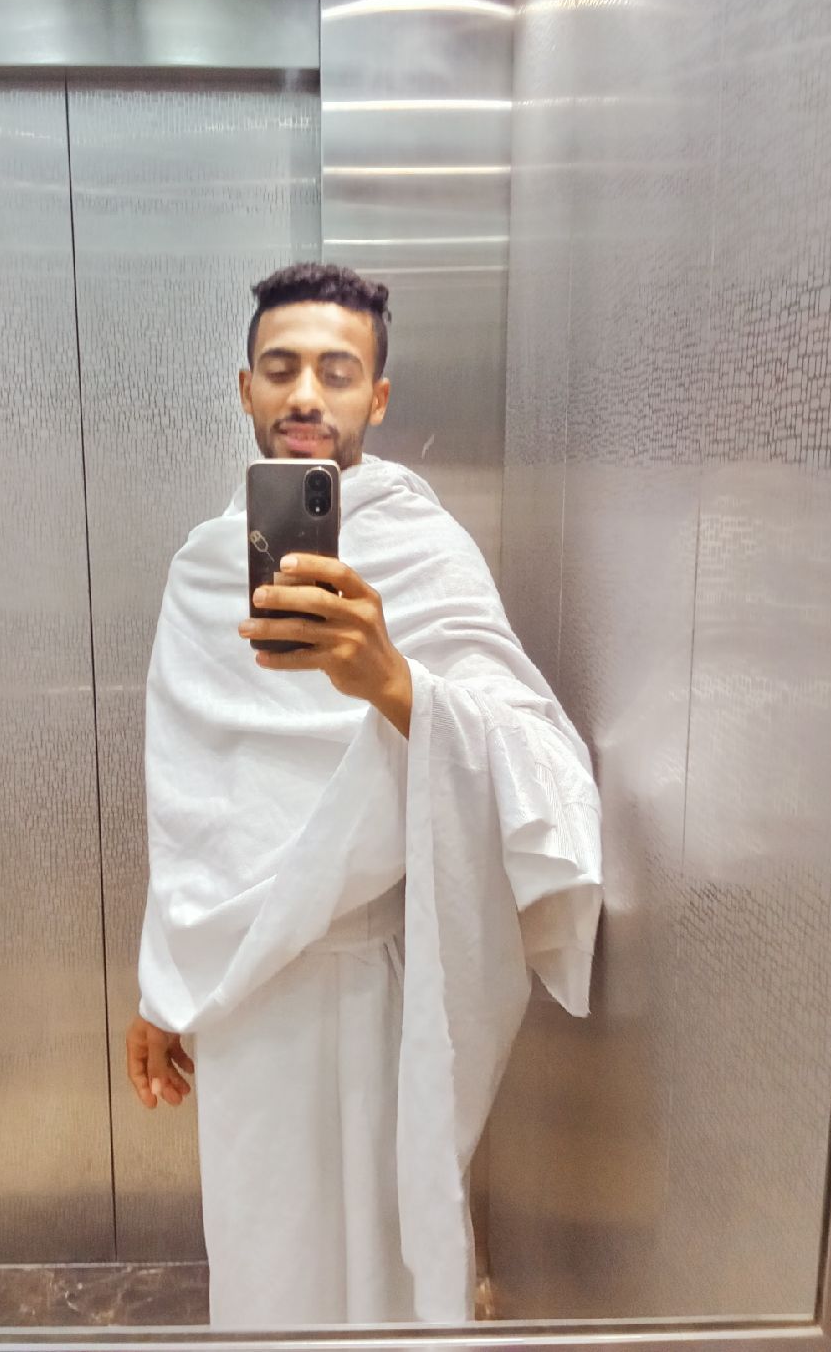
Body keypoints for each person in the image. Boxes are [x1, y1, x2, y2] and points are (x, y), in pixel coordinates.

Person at [125, 264, 603, 1328]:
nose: (306, 394)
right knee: (266, 1268)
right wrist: (163, 985)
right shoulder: (201, 573)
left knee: (386, 1272)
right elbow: (191, 807)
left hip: (387, 990)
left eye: (336, 371)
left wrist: (394, 682)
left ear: (376, 397)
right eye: (281, 367)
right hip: (245, 1006)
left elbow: (540, 763)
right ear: (244, 388)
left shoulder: (429, 553)